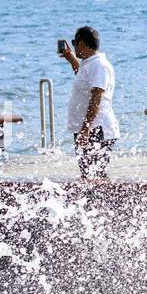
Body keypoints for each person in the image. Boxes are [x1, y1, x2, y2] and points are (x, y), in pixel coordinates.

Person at [59, 25, 118, 179]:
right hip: (89, 128)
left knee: (96, 175)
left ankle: (104, 202)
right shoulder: (90, 64)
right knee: (88, 174)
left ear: (82, 44)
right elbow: (84, 80)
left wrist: (86, 129)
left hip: (96, 129)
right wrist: (72, 59)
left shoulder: (99, 65)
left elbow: (96, 98)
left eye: (74, 42)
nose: (73, 46)